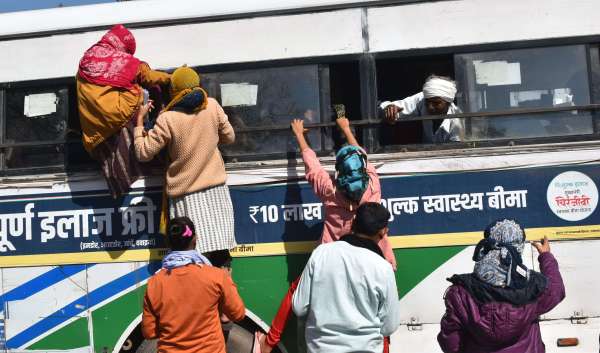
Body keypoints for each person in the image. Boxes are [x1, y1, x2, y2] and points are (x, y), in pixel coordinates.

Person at [258, 116, 396, 353]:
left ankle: (269, 343)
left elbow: (312, 166)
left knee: (295, 292)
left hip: (331, 262)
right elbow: (363, 157)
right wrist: (346, 129)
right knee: (378, 311)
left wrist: (300, 135)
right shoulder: (372, 187)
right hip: (379, 257)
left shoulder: (330, 189)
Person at [133, 66, 236, 268]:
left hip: (186, 198)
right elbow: (230, 137)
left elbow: (143, 153)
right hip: (217, 194)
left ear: (173, 90)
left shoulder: (167, 118)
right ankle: (223, 293)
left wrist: (139, 122)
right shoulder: (212, 106)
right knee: (220, 255)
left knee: (190, 260)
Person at [437, 219, 566, 353]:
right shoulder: (533, 286)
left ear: (487, 245)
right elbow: (556, 290)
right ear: (519, 247)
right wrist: (546, 256)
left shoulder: (460, 293)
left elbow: (450, 340)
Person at [291, 202, 401, 353]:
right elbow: (389, 326)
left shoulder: (321, 253)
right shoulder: (383, 268)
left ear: (353, 222)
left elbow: (299, 307)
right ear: (383, 231)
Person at [77, 24, 170, 197]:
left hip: (94, 127)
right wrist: (172, 78)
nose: (127, 55)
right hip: (117, 116)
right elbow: (148, 77)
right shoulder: (125, 63)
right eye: (127, 51)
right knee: (150, 94)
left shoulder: (87, 58)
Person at [142, 217, 245, 353]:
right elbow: (238, 314)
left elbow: (150, 333)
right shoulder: (216, 276)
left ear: (168, 242)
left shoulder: (154, 283)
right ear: (195, 239)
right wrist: (227, 281)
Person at [380, 75, 464, 143]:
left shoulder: (457, 120)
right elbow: (393, 107)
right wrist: (389, 108)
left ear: (448, 103)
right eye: (427, 102)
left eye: (436, 103)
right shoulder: (422, 99)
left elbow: (456, 149)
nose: (430, 107)